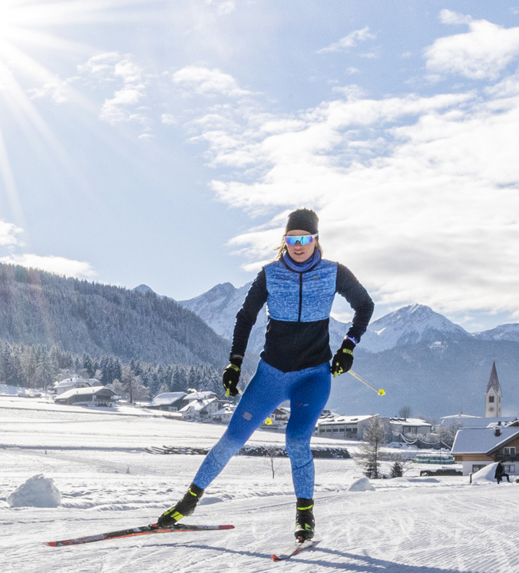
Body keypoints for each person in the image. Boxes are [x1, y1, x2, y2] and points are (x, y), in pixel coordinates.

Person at [154, 209, 374, 543]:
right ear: (283, 242)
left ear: (316, 240)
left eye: (304, 239)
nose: (297, 245)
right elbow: (245, 318)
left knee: (296, 439)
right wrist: (235, 363)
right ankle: (187, 503)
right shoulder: (270, 274)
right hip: (270, 375)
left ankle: (304, 515)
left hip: (313, 376)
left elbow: (365, 304)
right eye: (291, 239)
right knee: (231, 439)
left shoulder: (334, 273)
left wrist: (348, 347)